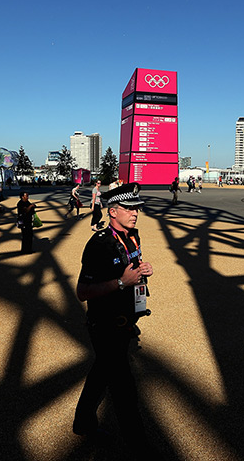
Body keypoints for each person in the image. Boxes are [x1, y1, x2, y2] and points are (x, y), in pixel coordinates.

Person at [72, 182, 155, 457]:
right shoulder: (100, 244)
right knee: (124, 391)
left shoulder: (133, 236)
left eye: (137, 208)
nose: (135, 213)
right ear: (113, 211)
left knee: (100, 374)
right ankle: (140, 449)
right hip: (105, 326)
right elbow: (82, 292)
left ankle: (83, 422)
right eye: (129, 208)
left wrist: (142, 270)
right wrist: (121, 282)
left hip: (125, 323)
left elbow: (131, 269)